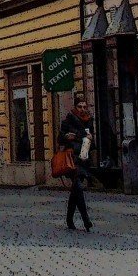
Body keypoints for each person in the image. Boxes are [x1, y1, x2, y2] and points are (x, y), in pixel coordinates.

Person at [58, 97, 95, 233]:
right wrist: (70, 136)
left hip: (84, 156)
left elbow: (92, 143)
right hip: (71, 158)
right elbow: (60, 138)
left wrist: (90, 138)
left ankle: (69, 218)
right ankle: (86, 220)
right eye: (80, 106)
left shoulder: (89, 121)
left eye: (85, 106)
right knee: (78, 187)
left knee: (75, 191)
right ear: (75, 107)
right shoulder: (68, 120)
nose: (83, 109)